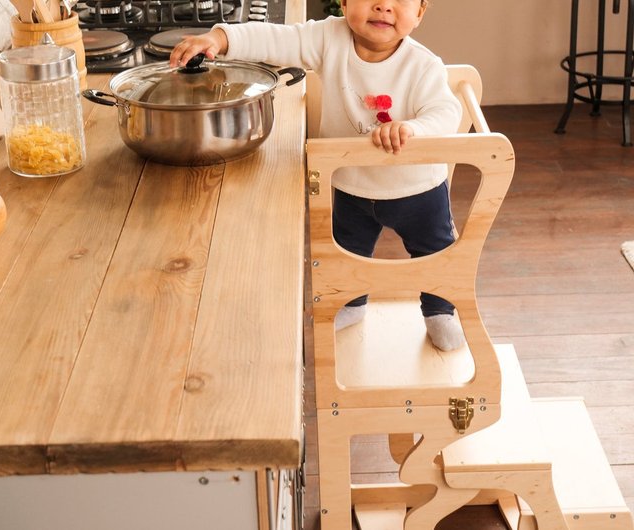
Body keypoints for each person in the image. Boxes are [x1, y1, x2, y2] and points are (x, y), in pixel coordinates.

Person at [170, 0, 466, 351]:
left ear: (419, 13)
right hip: (349, 184)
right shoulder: (330, 38)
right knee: (345, 251)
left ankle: (439, 313)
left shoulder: (423, 65)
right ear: (343, 3)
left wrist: (412, 129)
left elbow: (447, 112)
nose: (384, 6)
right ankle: (351, 304)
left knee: (435, 254)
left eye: (400, 0)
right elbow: (276, 39)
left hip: (417, 190)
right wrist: (219, 38)